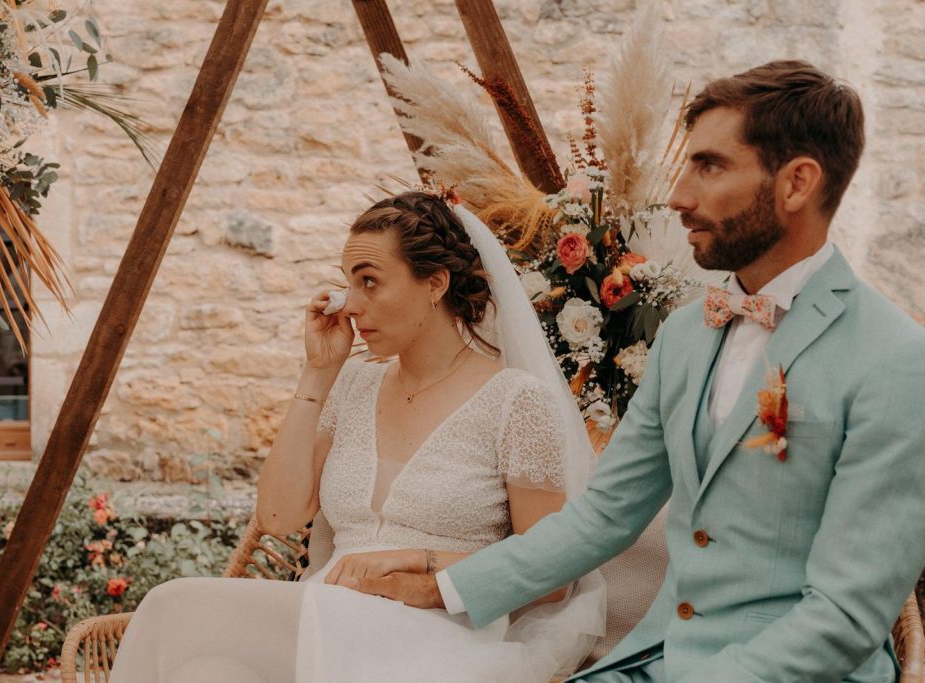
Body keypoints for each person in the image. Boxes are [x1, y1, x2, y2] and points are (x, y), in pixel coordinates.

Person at [352, 61, 925, 683]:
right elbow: (603, 516)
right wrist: (443, 586)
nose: (678, 195)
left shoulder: (895, 360)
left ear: (797, 184)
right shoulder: (684, 334)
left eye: (709, 166)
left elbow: (845, 617)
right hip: (654, 658)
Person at [107, 191, 606, 682]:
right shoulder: (353, 386)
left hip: (437, 632)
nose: (350, 305)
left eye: (370, 282)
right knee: (206, 673)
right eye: (349, 284)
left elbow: (551, 575)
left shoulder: (516, 401)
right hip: (329, 616)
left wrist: (416, 561)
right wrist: (318, 373)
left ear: (435, 283)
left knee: (174, 606)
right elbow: (280, 515)